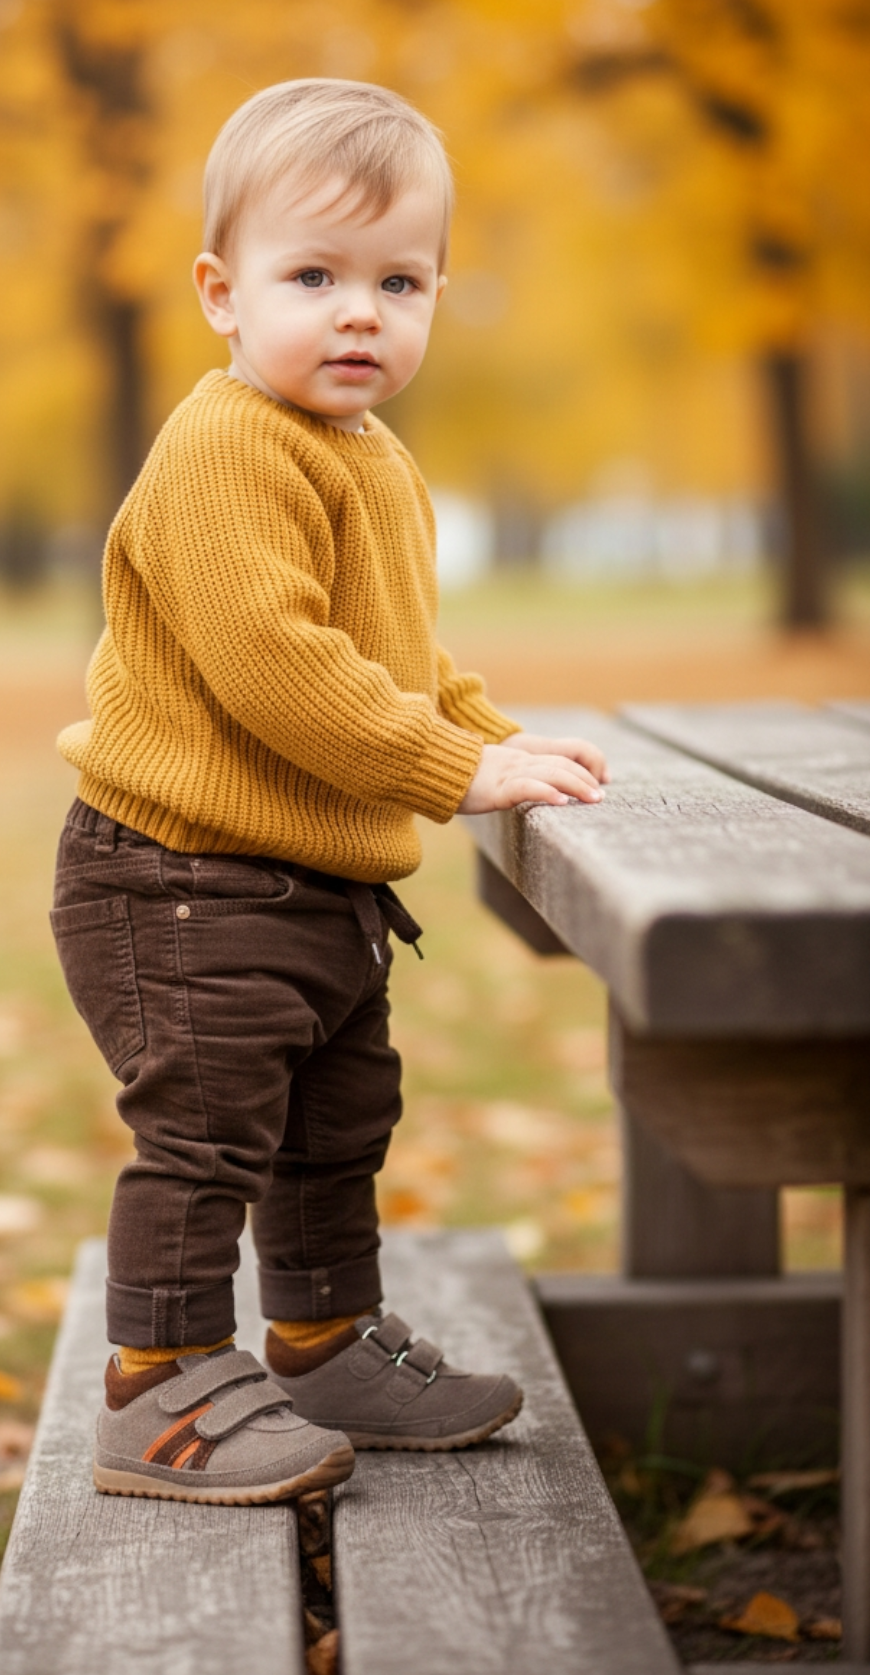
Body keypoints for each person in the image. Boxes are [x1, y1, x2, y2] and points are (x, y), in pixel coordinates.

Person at [52, 78, 609, 1505]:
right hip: (180, 878)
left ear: (435, 299)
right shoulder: (224, 449)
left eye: (398, 282)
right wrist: (452, 771)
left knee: (334, 1123)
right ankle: (157, 1387)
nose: (361, 313)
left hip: (310, 882)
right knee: (207, 1136)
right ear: (222, 295)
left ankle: (320, 1340)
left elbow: (395, 656)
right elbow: (282, 669)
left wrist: (497, 737)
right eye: (314, 277)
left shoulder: (367, 455)